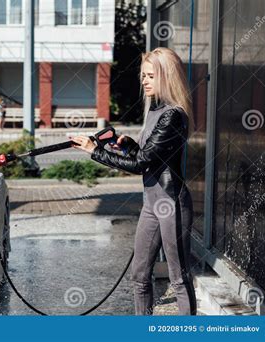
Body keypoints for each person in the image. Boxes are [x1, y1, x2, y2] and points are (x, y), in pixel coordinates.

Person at [69, 47, 197, 315]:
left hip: (171, 204)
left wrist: (96, 152)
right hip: (151, 205)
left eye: (151, 76)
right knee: (139, 275)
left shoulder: (173, 115)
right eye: (143, 76)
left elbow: (143, 163)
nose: (145, 81)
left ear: (166, 76)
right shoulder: (155, 111)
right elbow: (147, 155)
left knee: (179, 278)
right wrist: (127, 145)